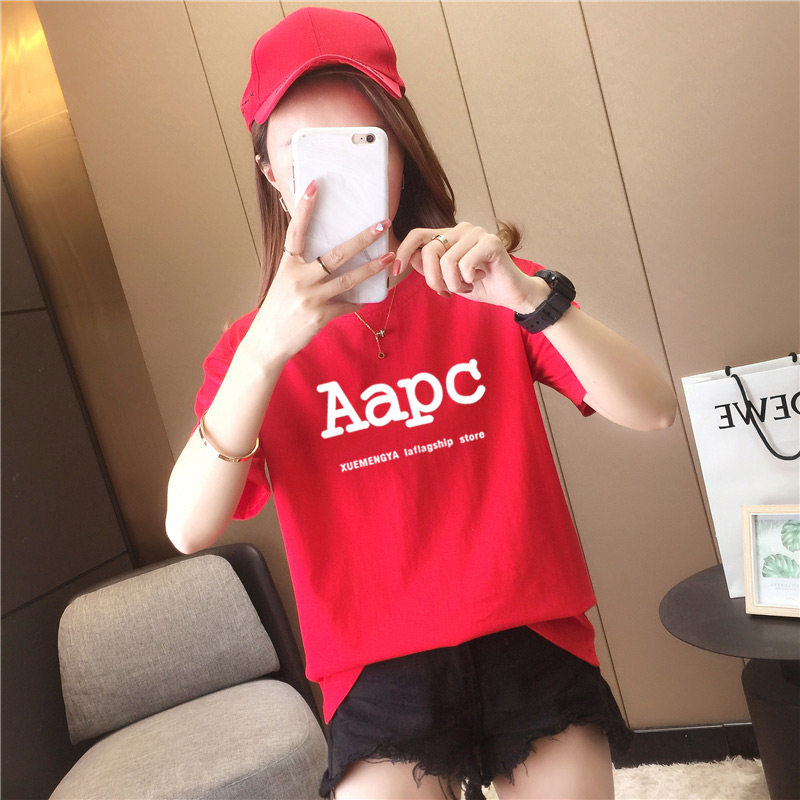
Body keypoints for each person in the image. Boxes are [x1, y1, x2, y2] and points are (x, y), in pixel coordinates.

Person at [166, 7, 677, 800]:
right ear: (270, 174)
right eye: (305, 153)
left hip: (531, 633)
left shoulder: (486, 286)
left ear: (401, 151)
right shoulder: (252, 351)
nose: (334, 175)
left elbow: (653, 409)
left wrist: (527, 296)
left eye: (362, 143)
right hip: (373, 669)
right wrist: (264, 351)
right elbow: (189, 527)